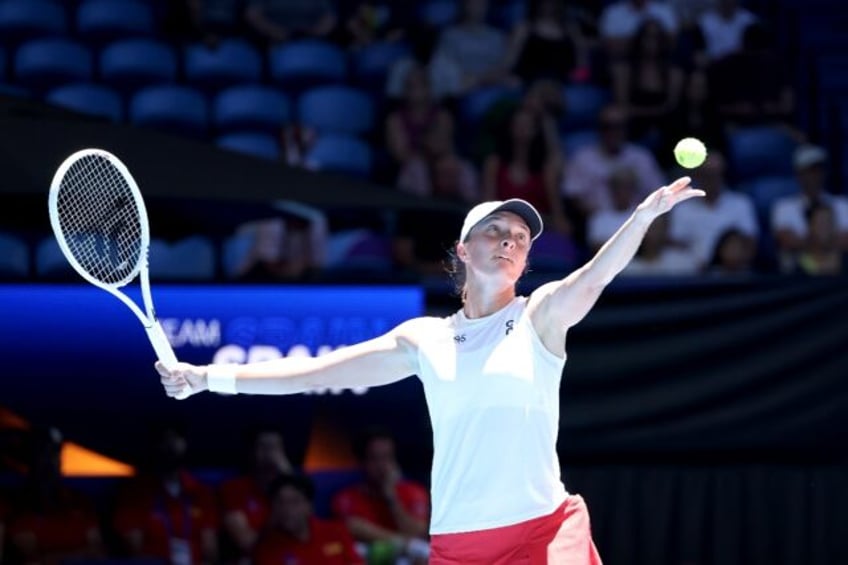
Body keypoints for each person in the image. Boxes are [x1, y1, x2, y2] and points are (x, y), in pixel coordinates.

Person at [157, 175, 704, 563]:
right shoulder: (425, 338)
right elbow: (315, 372)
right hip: (460, 544)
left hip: (542, 531)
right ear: (463, 251)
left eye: (519, 235)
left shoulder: (540, 316)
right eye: (495, 230)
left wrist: (641, 219)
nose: (510, 238)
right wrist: (207, 378)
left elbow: (592, 277)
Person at [113, 424, 219, 565]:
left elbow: (210, 549)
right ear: (154, 445)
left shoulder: (200, 491)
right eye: (165, 440)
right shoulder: (134, 493)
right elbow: (135, 549)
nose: (171, 447)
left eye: (176, 440)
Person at [7, 426, 105, 565]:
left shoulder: (79, 502)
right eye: (43, 453)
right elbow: (31, 560)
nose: (51, 462)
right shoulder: (18, 509)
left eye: (56, 454)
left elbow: (98, 552)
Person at [331, 427, 430, 563]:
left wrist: (391, 497)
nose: (382, 465)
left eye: (387, 458)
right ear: (362, 461)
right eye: (374, 458)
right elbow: (353, 528)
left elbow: (418, 534)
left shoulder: (414, 492)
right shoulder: (346, 498)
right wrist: (405, 544)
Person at [218, 426, 296, 562]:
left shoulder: (292, 487)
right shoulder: (233, 489)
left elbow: (305, 528)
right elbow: (246, 543)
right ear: (251, 451)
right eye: (264, 447)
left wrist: (288, 477)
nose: (270, 454)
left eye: (275, 447)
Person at [253, 473, 364, 565]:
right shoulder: (267, 548)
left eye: (295, 502)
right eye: (280, 502)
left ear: (309, 506)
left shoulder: (336, 531)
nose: (287, 509)